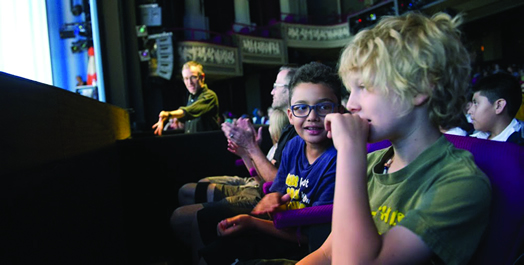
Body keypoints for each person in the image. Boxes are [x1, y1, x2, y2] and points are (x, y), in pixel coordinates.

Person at [293, 12, 491, 265]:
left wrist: (350, 152)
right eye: (350, 90)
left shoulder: (461, 182)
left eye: (364, 87)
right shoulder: (372, 162)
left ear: (419, 87)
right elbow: (327, 252)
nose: (350, 104)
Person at [197, 62, 344, 265]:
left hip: (305, 249)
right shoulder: (294, 145)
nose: (312, 117)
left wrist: (253, 223)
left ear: (340, 111)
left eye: (323, 107)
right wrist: (272, 198)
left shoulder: (338, 160)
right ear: (290, 116)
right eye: (301, 108)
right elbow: (278, 189)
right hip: (282, 232)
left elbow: (314, 238)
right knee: (214, 250)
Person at [176, 66, 298, 206]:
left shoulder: (297, 134)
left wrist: (251, 147)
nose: (271, 91)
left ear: (292, 89)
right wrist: (247, 151)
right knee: (191, 189)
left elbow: (273, 184)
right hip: (258, 189)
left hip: (264, 197)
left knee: (183, 204)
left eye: (276, 86)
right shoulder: (289, 131)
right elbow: (262, 180)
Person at [152, 61, 220, 135]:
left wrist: (169, 114)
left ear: (202, 77)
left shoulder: (210, 96)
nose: (189, 82)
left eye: (193, 77)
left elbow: (191, 111)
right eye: (186, 78)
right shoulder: (191, 97)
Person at [468, 72, 524, 144]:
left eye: (476, 103)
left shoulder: (519, 148)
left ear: (499, 106)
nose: (469, 111)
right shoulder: (469, 138)